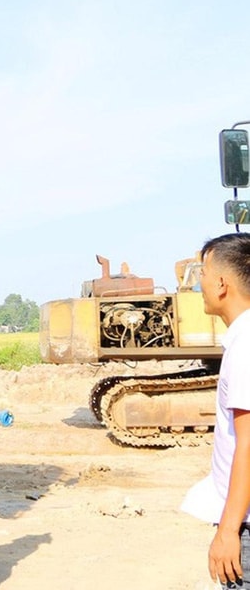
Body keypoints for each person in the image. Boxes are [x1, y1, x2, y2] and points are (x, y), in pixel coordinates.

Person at [181, 233, 250, 588]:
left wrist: (228, 529)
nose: (200, 284)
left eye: (204, 273)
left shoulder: (245, 346)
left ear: (222, 284)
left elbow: (249, 443)